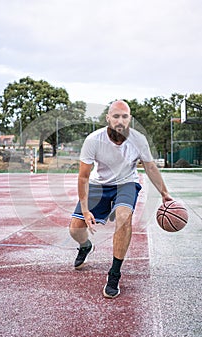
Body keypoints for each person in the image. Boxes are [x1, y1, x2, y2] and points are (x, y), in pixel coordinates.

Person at [69, 100, 172, 299]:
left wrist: (164, 193)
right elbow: (83, 176)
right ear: (108, 118)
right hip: (99, 185)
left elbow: (150, 167)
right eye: (116, 116)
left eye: (124, 116)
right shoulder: (93, 140)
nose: (120, 120)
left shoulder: (139, 140)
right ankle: (85, 246)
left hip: (126, 183)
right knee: (75, 228)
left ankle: (114, 273)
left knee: (124, 219)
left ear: (129, 119)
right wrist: (85, 209)